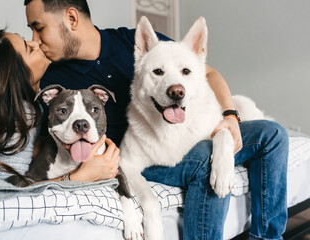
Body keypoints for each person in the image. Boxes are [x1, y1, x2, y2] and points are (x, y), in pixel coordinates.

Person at [23, 0, 289, 239]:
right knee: (203, 157)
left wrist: (230, 117)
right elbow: (42, 148)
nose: (35, 40)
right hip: (140, 152)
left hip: (178, 136)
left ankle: (267, 237)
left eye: (39, 28)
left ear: (71, 18)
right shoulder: (52, 81)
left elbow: (208, 74)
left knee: (274, 135)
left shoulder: (130, 41)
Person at [0, 29, 119, 184]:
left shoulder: (1, 107)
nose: (36, 43)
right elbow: (6, 190)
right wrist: (80, 176)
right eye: (29, 49)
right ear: (16, 75)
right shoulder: (21, 113)